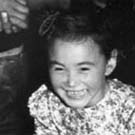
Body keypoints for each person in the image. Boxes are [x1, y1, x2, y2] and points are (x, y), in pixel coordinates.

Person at [28, 7, 135, 135]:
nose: (71, 82)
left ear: (109, 64)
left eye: (83, 69)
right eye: (59, 68)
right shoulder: (47, 103)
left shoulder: (129, 110)